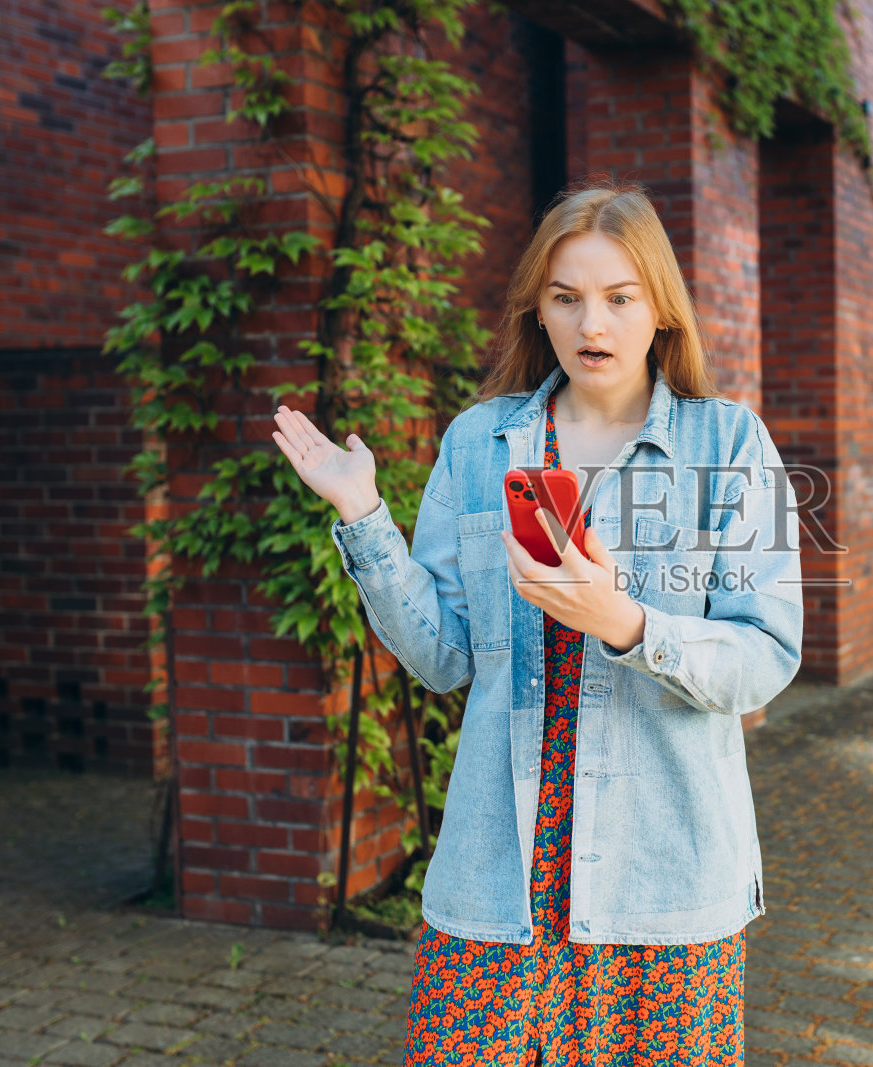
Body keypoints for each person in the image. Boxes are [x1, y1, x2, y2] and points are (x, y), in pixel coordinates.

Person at [270, 183, 804, 1065]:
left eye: (620, 297)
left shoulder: (729, 445)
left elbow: (767, 653)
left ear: (661, 309)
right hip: (498, 877)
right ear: (539, 310)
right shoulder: (479, 443)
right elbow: (444, 657)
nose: (593, 322)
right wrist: (363, 515)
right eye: (567, 297)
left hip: (661, 885)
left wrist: (628, 623)